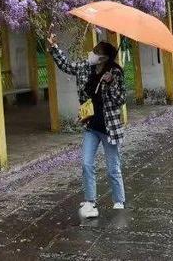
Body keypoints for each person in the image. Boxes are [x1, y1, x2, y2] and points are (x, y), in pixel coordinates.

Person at [48, 36, 126, 218]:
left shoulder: (115, 72)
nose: (92, 53)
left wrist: (111, 83)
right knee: (86, 163)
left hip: (109, 127)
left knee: (113, 166)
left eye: (96, 52)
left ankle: (119, 200)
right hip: (91, 125)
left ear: (104, 57)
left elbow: (120, 100)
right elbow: (66, 66)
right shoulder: (85, 67)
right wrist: (54, 47)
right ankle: (90, 201)